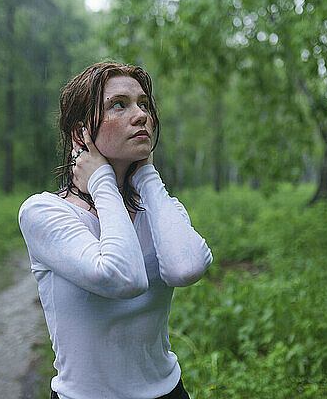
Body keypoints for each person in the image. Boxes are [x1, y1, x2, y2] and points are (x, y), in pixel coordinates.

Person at [18, 61, 213, 399]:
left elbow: (187, 267)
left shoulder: (162, 207)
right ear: (81, 134)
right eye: (118, 104)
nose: (141, 116)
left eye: (144, 104)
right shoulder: (44, 213)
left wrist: (147, 178)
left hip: (168, 392)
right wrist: (103, 181)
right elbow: (122, 277)